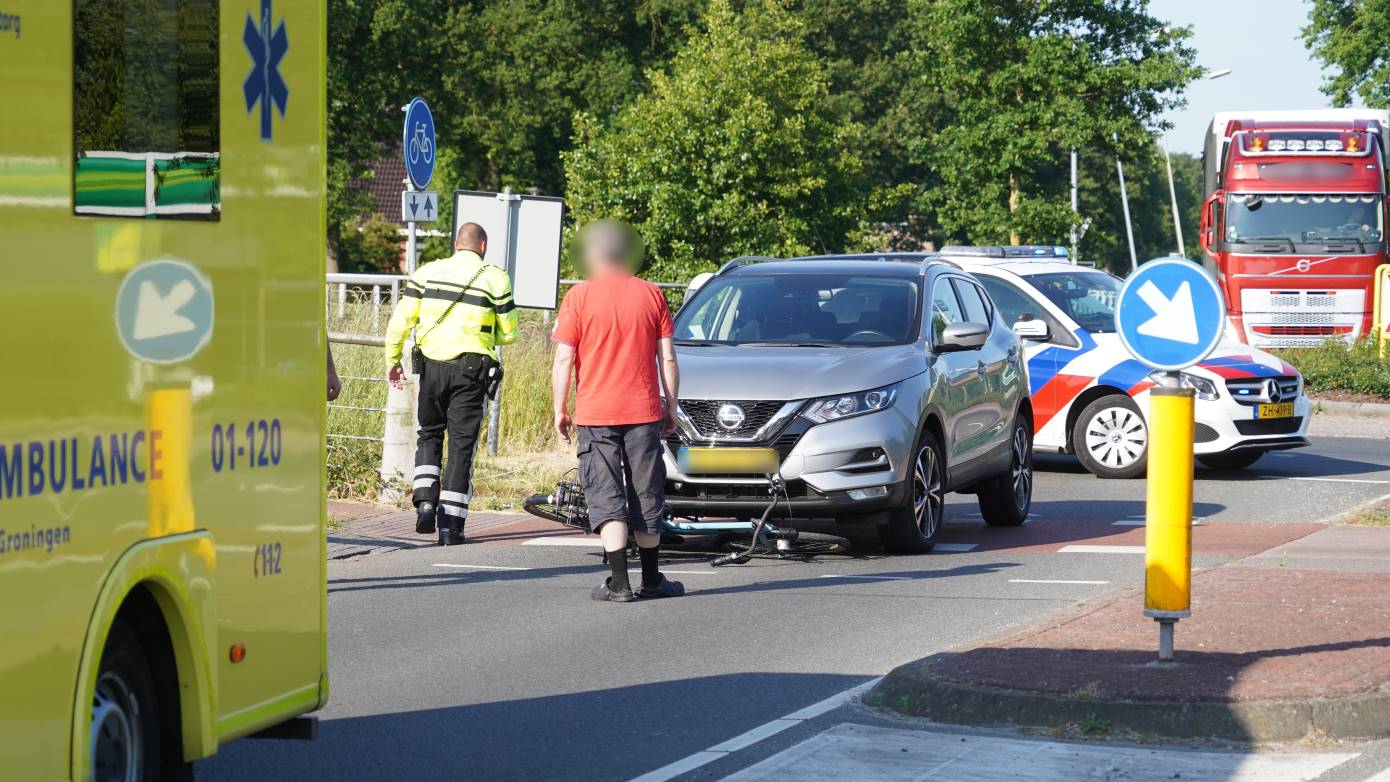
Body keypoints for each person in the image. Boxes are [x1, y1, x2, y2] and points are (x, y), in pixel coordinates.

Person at [551, 220, 683, 602]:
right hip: (643, 410)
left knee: (605, 492)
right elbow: (668, 359)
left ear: (593, 257)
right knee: (646, 489)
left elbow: (563, 360)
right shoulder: (652, 294)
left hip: (595, 412)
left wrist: (560, 409)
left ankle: (620, 583)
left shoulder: (578, 297)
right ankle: (653, 578)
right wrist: (670, 406)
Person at [385, 223, 518, 545]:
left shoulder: (426, 272)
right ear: (482, 246)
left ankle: (425, 502)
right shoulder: (495, 278)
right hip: (472, 370)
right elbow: (510, 333)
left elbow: (401, 320)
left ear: (456, 244)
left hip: (431, 366)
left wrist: (392, 359)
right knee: (461, 445)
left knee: (429, 433)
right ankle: (451, 527)